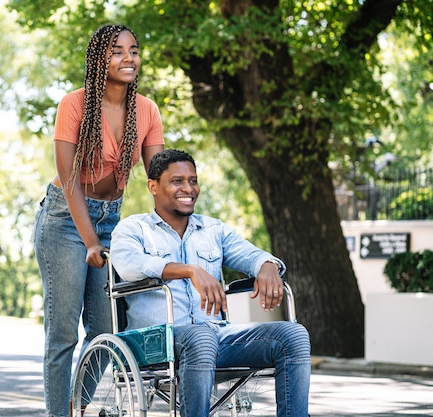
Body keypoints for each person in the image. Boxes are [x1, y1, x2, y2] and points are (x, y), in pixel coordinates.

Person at [110, 149, 311, 417]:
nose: (189, 188)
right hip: (154, 341)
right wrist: (189, 270)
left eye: (193, 180)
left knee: (293, 336)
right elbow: (128, 264)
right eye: (177, 181)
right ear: (153, 186)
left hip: (215, 338)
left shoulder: (213, 230)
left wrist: (268, 266)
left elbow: (250, 254)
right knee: (200, 336)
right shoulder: (134, 229)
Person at [33, 24, 165, 417]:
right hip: (64, 220)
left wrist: (173, 223)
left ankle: (75, 405)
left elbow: (156, 174)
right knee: (62, 333)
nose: (128, 58)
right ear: (98, 60)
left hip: (111, 220)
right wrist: (90, 240)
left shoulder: (147, 110)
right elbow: (70, 176)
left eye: (134, 50)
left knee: (107, 329)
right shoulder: (73, 105)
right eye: (117, 51)